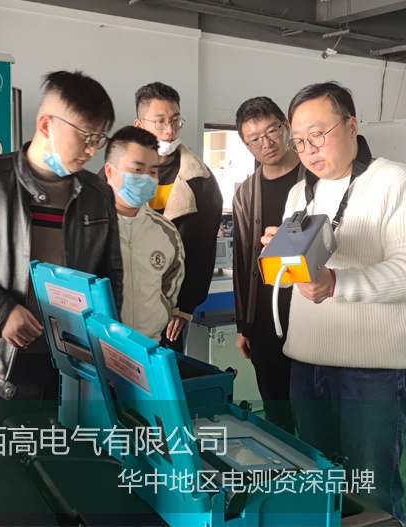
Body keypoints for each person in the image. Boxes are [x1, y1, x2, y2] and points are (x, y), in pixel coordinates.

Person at [262, 81, 406, 523]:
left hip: (370, 373)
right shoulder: (301, 193)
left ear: (352, 125)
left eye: (318, 135)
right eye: (299, 141)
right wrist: (283, 257)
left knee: (372, 495)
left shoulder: (397, 182)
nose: (308, 150)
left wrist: (337, 282)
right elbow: (301, 273)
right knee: (319, 488)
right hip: (307, 364)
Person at [0, 70, 122, 403]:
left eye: (98, 139)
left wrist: (107, 345)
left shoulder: (97, 194)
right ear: (46, 125)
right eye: (86, 136)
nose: (92, 150)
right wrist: (0, 312)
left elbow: (110, 277)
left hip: (72, 361)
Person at [133, 81, 223, 352]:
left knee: (165, 371)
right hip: (123, 303)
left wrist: (186, 306)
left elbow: (203, 251)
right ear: (139, 126)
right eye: (160, 121)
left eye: (175, 121)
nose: (170, 131)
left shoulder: (201, 181)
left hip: (171, 307)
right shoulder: (115, 174)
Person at [232, 96, 301, 434]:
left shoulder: (316, 178)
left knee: (314, 413)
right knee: (277, 411)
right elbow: (242, 261)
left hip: (311, 311)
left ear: (285, 127)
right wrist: (244, 325)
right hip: (265, 320)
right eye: (254, 139)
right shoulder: (246, 193)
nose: (266, 143)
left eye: (272, 131)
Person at [102, 126, 185, 342]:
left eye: (153, 172)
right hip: (98, 343)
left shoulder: (165, 231)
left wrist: (160, 315)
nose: (147, 178)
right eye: (137, 170)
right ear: (110, 171)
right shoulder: (89, 226)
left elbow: (171, 283)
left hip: (149, 344)